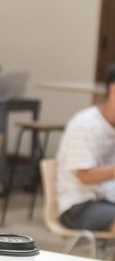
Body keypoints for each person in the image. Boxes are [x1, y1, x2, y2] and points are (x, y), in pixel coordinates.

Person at [54, 65, 115, 231]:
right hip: (79, 206)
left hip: (108, 200)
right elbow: (84, 176)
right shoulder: (86, 125)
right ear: (113, 89)